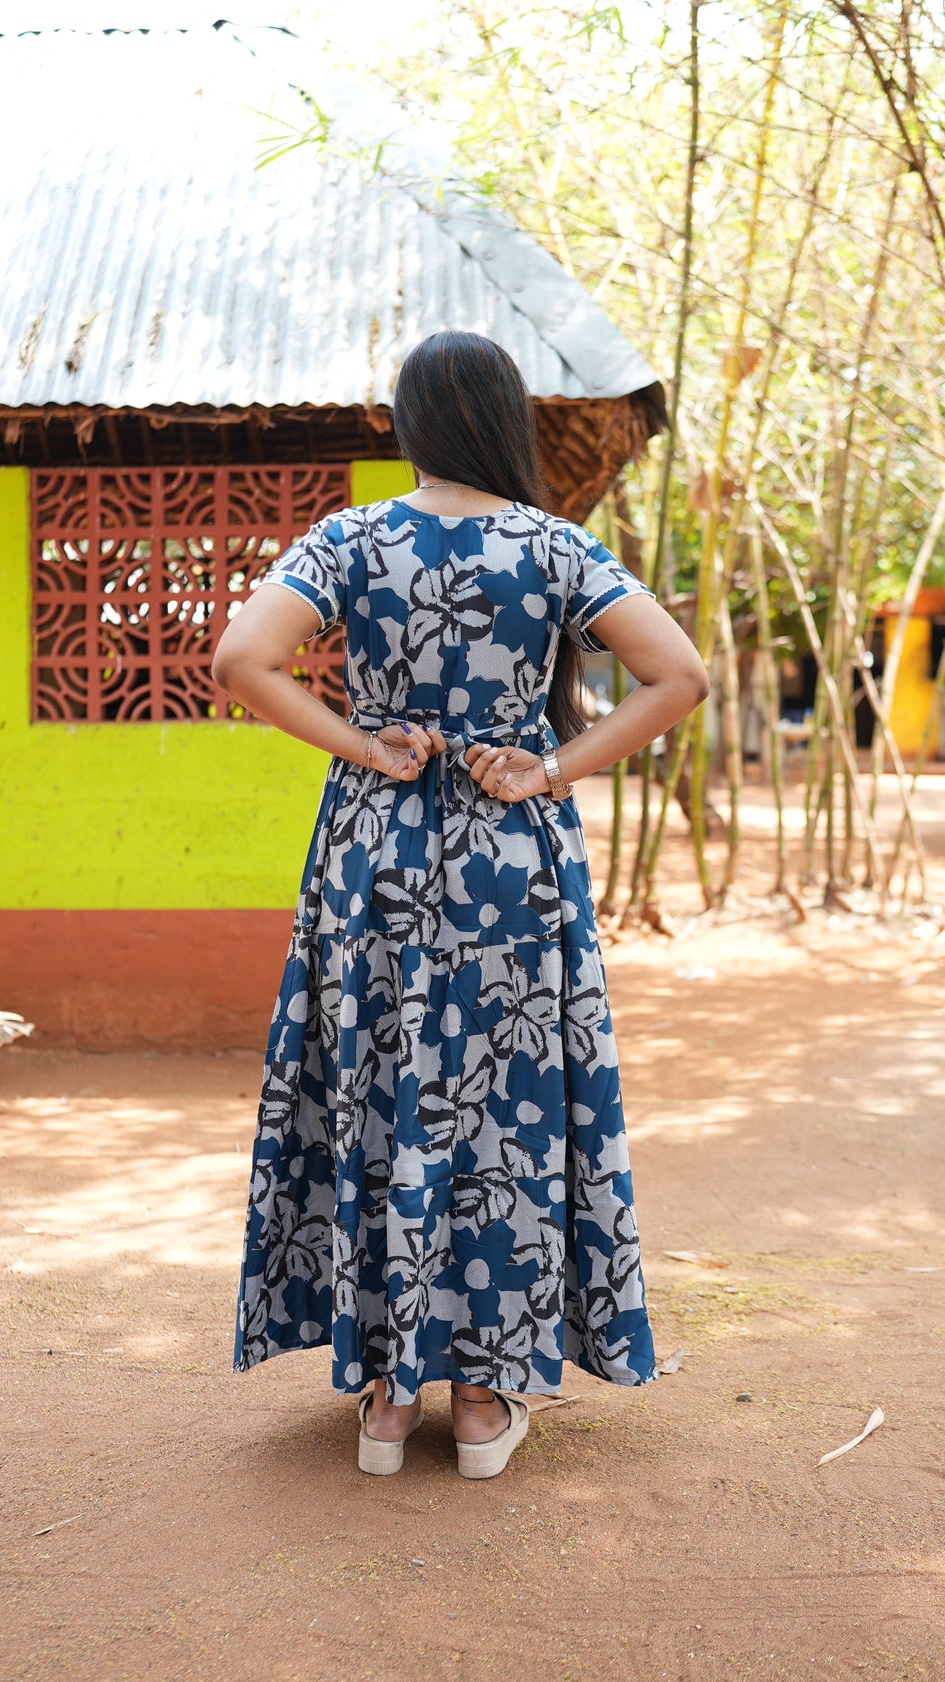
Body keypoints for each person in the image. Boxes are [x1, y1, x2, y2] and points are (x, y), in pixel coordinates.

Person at [212, 330, 708, 1480]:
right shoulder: (556, 549)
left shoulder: (352, 540)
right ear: (504, 422)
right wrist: (551, 766)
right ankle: (485, 1403)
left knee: (383, 1093)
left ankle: (387, 1399)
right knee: (508, 1113)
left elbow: (244, 658)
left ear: (410, 423)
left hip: (373, 858)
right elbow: (678, 676)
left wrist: (363, 748)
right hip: (510, 862)